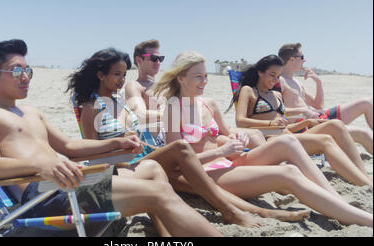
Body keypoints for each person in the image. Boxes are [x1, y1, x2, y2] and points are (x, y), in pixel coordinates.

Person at [0, 39, 224, 237]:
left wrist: (114, 143)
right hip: (42, 195)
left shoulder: (30, 111)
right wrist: (43, 166)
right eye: (17, 71)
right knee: (157, 193)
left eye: (29, 70)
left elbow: (70, 147)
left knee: (153, 168)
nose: (26, 77)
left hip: (69, 183)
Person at [67, 47, 311, 227]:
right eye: (117, 74)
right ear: (100, 75)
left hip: (143, 157)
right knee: (182, 151)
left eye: (124, 74)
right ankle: (235, 213)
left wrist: (147, 127)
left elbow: (136, 126)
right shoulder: (91, 106)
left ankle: (261, 212)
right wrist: (119, 144)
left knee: (191, 177)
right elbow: (92, 152)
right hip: (124, 166)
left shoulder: (117, 101)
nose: (122, 80)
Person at [153, 50, 373, 227]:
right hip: (208, 174)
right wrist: (220, 151)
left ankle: (336, 201)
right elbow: (177, 162)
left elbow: (228, 131)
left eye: (206, 75)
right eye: (198, 76)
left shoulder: (207, 103)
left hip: (229, 162)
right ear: (181, 77)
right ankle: (357, 217)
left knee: (287, 141)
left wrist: (237, 137)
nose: (205, 81)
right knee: (289, 173)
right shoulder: (173, 108)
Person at [231, 55, 372, 188]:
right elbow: (240, 121)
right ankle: (366, 185)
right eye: (272, 75)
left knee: (336, 124)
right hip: (270, 141)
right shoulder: (248, 91)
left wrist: (306, 123)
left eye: (278, 76)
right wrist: (270, 124)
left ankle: (364, 178)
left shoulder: (277, 94)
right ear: (260, 72)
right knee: (325, 140)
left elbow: (284, 127)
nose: (275, 80)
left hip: (288, 135)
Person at [124, 39, 265, 149]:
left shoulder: (164, 86)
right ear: (138, 60)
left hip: (190, 125)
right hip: (166, 135)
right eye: (153, 58)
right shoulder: (135, 86)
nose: (158, 62)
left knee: (255, 134)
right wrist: (170, 113)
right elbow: (139, 116)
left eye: (161, 59)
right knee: (245, 137)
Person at [278, 43, 373, 155]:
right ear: (292, 60)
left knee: (367, 103)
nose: (305, 60)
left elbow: (318, 105)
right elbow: (276, 110)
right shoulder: (280, 81)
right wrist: (303, 111)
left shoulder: (296, 82)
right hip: (305, 126)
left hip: (319, 117)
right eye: (302, 57)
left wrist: (318, 82)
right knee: (362, 134)